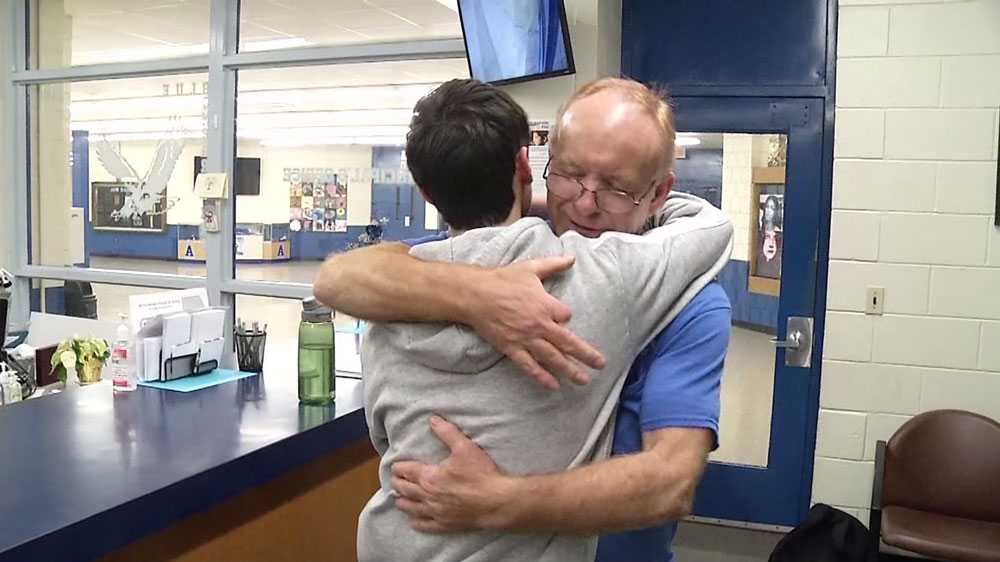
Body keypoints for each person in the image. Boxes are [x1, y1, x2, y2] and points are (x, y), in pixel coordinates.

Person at [315, 78, 733, 562]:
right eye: (570, 175)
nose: (584, 204)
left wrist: (497, 501)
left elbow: (669, 485)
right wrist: (479, 295)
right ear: (533, 166)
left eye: (617, 187)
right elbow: (336, 278)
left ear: (660, 193)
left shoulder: (693, 303)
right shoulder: (606, 275)